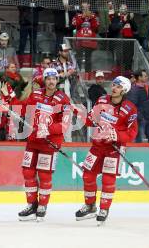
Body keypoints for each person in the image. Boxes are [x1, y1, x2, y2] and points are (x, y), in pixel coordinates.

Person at [76, 76, 137, 225]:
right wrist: (84, 115)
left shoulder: (130, 109)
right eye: (114, 84)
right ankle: (90, 206)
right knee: (88, 176)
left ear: (124, 90)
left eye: (118, 86)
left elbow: (132, 133)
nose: (114, 87)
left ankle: (104, 208)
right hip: (97, 146)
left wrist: (116, 135)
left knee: (108, 179)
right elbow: (91, 120)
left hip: (114, 149)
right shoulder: (102, 100)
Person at [18, 68, 71, 222]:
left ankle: (42, 205)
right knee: (27, 172)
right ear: (44, 80)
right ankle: (31, 204)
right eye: (48, 78)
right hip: (33, 140)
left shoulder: (63, 99)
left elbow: (65, 124)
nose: (51, 81)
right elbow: (25, 110)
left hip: (50, 143)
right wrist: (8, 103)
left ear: (57, 81)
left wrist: (48, 129)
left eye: (54, 79)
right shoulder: (35, 94)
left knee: (44, 174)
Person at [128, 70, 149, 143]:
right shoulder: (134, 90)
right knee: (139, 140)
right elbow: (132, 105)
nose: (147, 77)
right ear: (139, 77)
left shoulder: (146, 87)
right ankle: (138, 154)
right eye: (145, 76)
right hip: (141, 119)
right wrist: (139, 116)